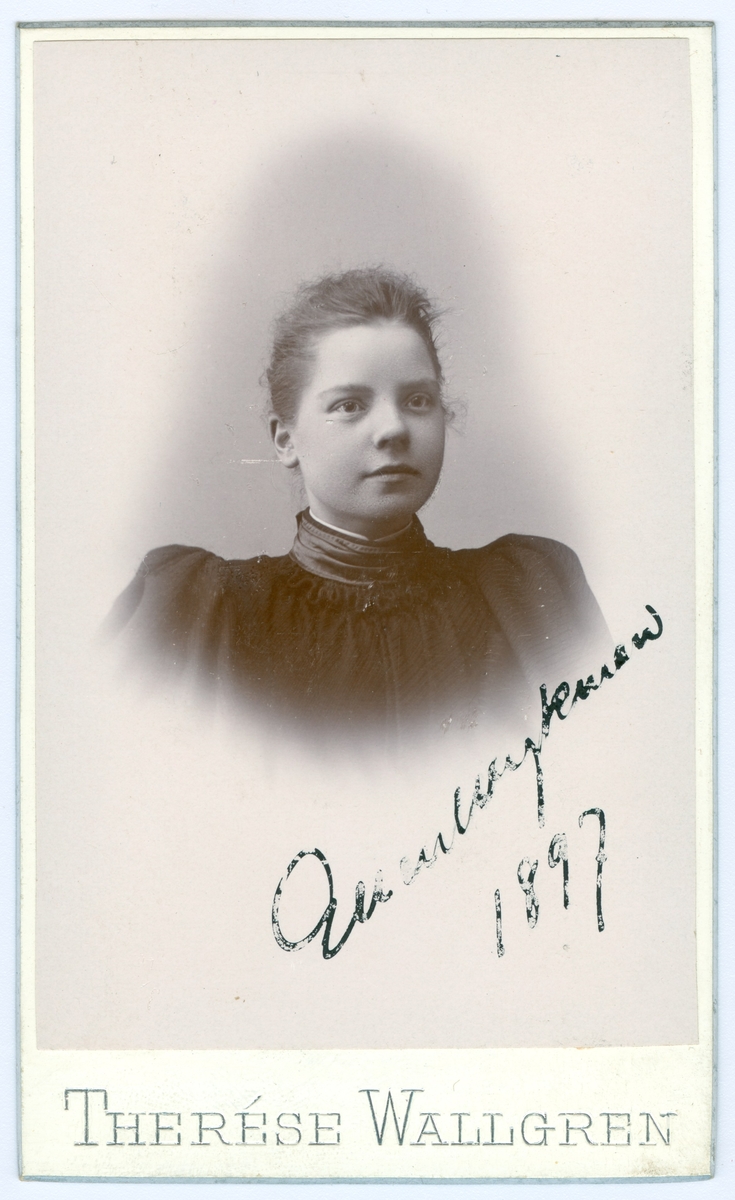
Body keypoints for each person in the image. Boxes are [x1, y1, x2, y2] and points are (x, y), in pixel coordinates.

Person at [107, 267, 610, 744]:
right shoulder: (198, 612)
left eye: (417, 400)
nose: (393, 429)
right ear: (285, 439)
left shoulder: (529, 594)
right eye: (349, 405)